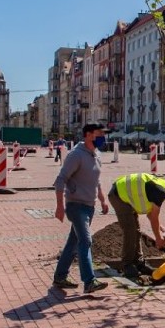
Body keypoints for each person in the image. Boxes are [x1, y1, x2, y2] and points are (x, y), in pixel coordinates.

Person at [52, 123, 110, 293]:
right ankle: (89, 281)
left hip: (89, 206)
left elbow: (96, 180)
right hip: (76, 205)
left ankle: (60, 276)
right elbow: (61, 179)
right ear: (88, 135)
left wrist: (103, 200)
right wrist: (60, 206)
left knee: (73, 243)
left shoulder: (96, 155)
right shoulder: (76, 155)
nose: (102, 137)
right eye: (99, 134)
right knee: (86, 241)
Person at [107, 173, 165, 279]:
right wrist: (158, 238)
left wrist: (163, 230)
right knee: (130, 231)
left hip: (127, 197)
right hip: (119, 196)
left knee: (137, 231)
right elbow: (154, 217)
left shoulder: (160, 185)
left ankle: (139, 263)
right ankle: (127, 265)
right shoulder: (160, 191)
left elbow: (150, 215)